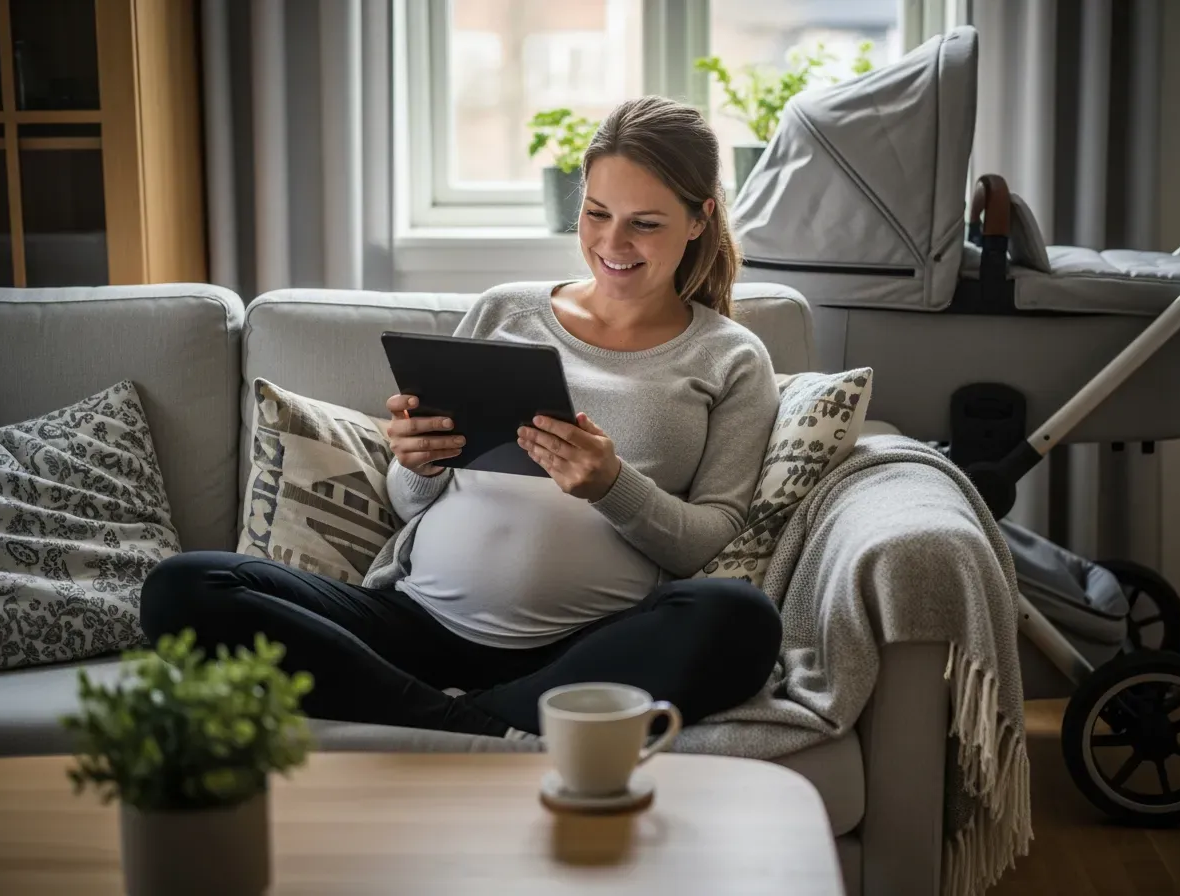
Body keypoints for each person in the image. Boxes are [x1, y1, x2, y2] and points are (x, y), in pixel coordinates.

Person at [140, 95, 783, 741]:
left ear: (700, 219)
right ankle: (480, 728)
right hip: (412, 624)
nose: (612, 244)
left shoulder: (730, 357)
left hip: (584, 648)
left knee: (739, 619)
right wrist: (418, 463)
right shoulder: (506, 311)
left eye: (645, 223)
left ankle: (423, 722)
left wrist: (612, 485)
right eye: (595, 213)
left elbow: (711, 536)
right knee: (184, 586)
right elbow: (410, 502)